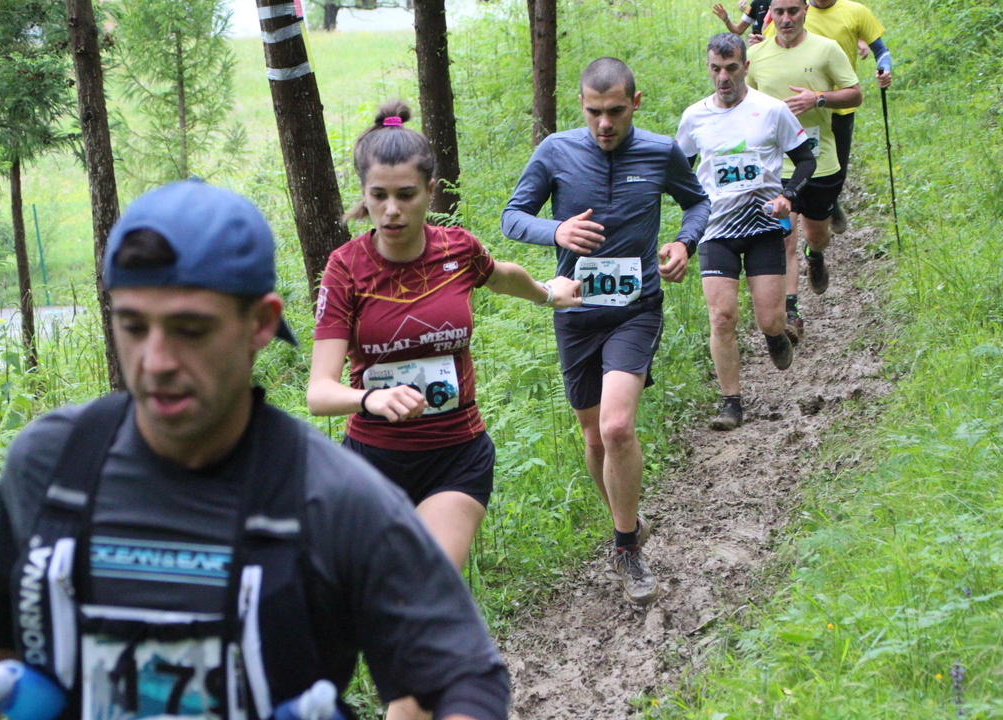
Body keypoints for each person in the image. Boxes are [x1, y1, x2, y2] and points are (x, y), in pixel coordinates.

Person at [0, 180, 509, 720]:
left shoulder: (334, 498)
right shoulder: (51, 466)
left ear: (260, 323)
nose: (156, 361)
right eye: (133, 326)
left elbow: (465, 678)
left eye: (191, 329)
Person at [306, 102, 577, 720]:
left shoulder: (457, 250)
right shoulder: (346, 269)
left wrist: (546, 294)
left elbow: (501, 274)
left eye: (406, 195)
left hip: (456, 457)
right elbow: (319, 391)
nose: (392, 210)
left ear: (430, 191)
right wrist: (370, 397)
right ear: (364, 196)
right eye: (379, 196)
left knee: (424, 597)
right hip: (373, 471)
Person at [501, 58, 711, 606]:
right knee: (593, 437)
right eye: (594, 111)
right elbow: (512, 216)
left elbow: (697, 202)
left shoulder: (660, 151)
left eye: (616, 111)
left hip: (635, 308)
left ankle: (626, 549)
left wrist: (684, 242)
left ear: (635, 104)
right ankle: (629, 522)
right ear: (581, 105)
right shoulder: (556, 151)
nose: (604, 123)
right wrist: (557, 230)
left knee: (617, 428)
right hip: (575, 310)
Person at [676, 33, 816, 430]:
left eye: (731, 68)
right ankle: (731, 404)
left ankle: (775, 333)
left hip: (763, 225)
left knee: (770, 319)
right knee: (722, 317)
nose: (723, 78)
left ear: (746, 67)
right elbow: (679, 171)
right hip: (716, 229)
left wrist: (788, 195)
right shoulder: (694, 117)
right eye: (715, 69)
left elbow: (805, 160)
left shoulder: (771, 110)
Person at [747, 0, 861, 342]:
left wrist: (818, 99)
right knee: (785, 240)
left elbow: (855, 95)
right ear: (771, 13)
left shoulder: (826, 49)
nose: (786, 19)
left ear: (805, 11)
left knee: (816, 235)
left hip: (819, 162)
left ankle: (817, 255)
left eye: (793, 11)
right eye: (779, 12)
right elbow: (744, 104)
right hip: (776, 168)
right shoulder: (756, 56)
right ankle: (791, 313)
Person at [758, 0, 894, 235]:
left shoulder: (855, 11)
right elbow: (770, 45)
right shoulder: (793, 12)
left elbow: (881, 50)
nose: (787, 17)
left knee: (836, 172)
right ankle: (797, 208)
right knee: (799, 164)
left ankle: (830, 201)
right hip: (801, 108)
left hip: (838, 107)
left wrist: (885, 69)